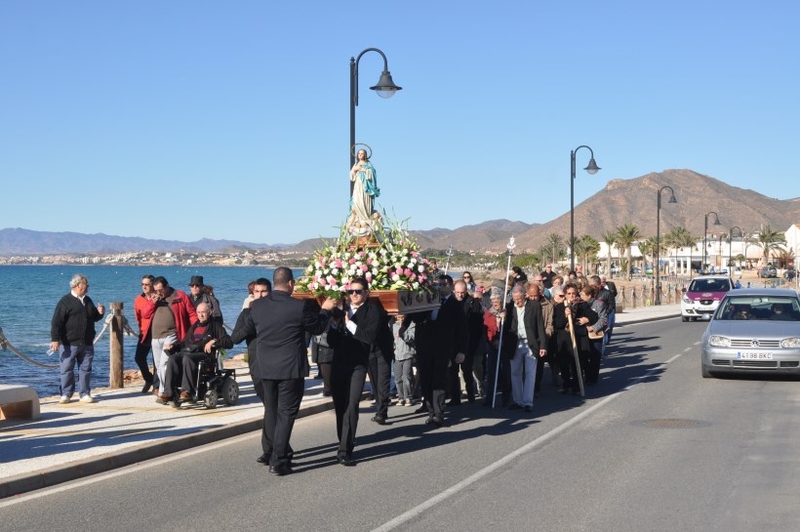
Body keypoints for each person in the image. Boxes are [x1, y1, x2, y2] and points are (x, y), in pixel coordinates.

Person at [234, 267, 336, 476]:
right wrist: (325, 309)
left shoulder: (257, 306)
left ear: (274, 283)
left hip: (265, 368)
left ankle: (273, 451)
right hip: (290, 369)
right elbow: (317, 328)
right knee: (286, 413)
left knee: (272, 411)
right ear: (291, 284)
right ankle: (278, 460)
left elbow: (246, 331)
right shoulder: (298, 306)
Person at [326, 277, 388, 465]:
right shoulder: (342, 310)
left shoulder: (373, 311)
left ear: (366, 293)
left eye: (358, 291)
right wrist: (334, 324)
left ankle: (344, 449)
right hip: (338, 363)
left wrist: (349, 324)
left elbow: (368, 337)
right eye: (351, 291)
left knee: (351, 405)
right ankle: (344, 440)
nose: (354, 294)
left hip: (358, 364)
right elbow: (331, 341)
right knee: (340, 406)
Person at [411, 275, 468, 427]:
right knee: (426, 380)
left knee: (439, 380)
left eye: (444, 284)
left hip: (444, 348)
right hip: (425, 347)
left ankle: (439, 413)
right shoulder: (428, 301)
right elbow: (416, 318)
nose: (440, 286)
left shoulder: (455, 305)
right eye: (438, 284)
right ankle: (431, 411)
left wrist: (462, 351)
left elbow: (463, 330)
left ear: (450, 286)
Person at [231, 278, 276, 461]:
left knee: (272, 407)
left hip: (275, 365)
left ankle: (270, 449)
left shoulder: (276, 311)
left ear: (270, 292)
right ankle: (279, 445)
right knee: (270, 406)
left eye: (263, 291)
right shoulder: (246, 314)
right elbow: (235, 338)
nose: (260, 295)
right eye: (256, 292)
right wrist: (250, 321)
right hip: (256, 365)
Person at [165, 302, 233, 407]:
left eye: (203, 312)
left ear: (210, 312)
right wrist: (173, 346)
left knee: (187, 358)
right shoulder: (195, 326)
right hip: (190, 352)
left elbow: (229, 342)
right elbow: (184, 343)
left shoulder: (215, 326)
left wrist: (214, 341)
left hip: (204, 355)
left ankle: (187, 391)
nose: (201, 315)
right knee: (173, 358)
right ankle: (168, 392)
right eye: (199, 312)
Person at [50, 273, 105, 404]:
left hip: (87, 342)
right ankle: (66, 394)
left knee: (86, 369)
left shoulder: (88, 300)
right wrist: (55, 339)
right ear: (78, 285)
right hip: (69, 343)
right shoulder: (65, 301)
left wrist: (100, 313)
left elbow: (94, 317)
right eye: (86, 284)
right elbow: (56, 322)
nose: (88, 287)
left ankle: (84, 393)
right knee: (66, 370)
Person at [147, 276, 197, 404]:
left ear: (167, 286)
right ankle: (164, 391)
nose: (159, 293)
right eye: (156, 290)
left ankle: (167, 392)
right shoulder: (153, 298)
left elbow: (191, 313)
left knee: (165, 363)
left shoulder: (179, 296)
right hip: (155, 336)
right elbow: (145, 314)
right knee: (158, 366)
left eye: (161, 290)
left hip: (172, 334)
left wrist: (196, 332)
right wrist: (152, 303)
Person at [505, 284, 547, 412]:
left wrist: (543, 345)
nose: (517, 302)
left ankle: (528, 401)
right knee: (515, 372)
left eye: (519, 299)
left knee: (530, 373)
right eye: (515, 299)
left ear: (525, 296)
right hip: (515, 343)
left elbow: (540, 326)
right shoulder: (509, 307)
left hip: (530, 343)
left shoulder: (534, 306)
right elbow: (507, 327)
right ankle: (518, 401)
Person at [448, 279, 483, 404]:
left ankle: (470, 394)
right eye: (457, 292)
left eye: (462, 292)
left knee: (467, 370)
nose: (460, 295)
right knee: (452, 371)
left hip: (468, 342)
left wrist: (472, 345)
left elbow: (478, 326)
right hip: (453, 342)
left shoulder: (473, 303)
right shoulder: (450, 303)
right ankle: (455, 398)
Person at [483, 287, 512, 407]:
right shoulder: (488, 313)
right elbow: (487, 329)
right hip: (493, 346)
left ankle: (506, 398)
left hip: (505, 346)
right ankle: (490, 398)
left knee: (506, 372)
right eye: (493, 300)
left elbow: (511, 329)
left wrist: (505, 317)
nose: (495, 303)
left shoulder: (508, 311)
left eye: (497, 300)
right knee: (491, 372)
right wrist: (493, 341)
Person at [528, 282, 557, 396]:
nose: (533, 298)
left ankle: (536, 387)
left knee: (539, 365)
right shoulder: (525, 304)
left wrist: (545, 337)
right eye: (531, 296)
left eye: (535, 296)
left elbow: (550, 324)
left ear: (540, 293)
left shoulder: (548, 305)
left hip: (541, 338)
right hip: (528, 338)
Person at [133, 274, 159, 394]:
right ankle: (149, 379)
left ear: (152, 285)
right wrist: (141, 329)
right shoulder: (138, 299)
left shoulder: (158, 297)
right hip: (144, 333)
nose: (144, 287)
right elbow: (138, 317)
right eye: (142, 284)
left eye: (147, 284)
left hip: (157, 332)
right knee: (139, 358)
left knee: (156, 360)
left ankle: (156, 385)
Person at [347, 148, 380, 235]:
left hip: (366, 186)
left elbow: (373, 173)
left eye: (362, 153)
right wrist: (354, 170)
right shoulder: (356, 164)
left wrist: (365, 170)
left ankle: (365, 218)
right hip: (358, 185)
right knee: (356, 201)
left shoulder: (368, 164)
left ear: (365, 155)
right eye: (359, 153)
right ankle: (358, 219)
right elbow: (352, 176)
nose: (360, 155)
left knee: (364, 201)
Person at [580, 285, 607, 385]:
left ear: (589, 295)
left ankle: (593, 378)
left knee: (595, 357)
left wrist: (593, 327)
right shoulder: (581, 304)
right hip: (583, 334)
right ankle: (587, 376)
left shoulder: (599, 304)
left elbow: (603, 319)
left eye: (583, 294)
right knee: (584, 356)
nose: (581, 296)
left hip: (595, 334)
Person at [392, 314, 416, 407]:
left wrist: (402, 333)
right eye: (399, 317)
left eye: (402, 317)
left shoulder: (411, 324)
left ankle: (408, 397)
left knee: (406, 377)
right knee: (398, 378)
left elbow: (411, 338)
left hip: (407, 354)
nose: (400, 319)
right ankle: (401, 397)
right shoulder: (393, 326)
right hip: (397, 355)